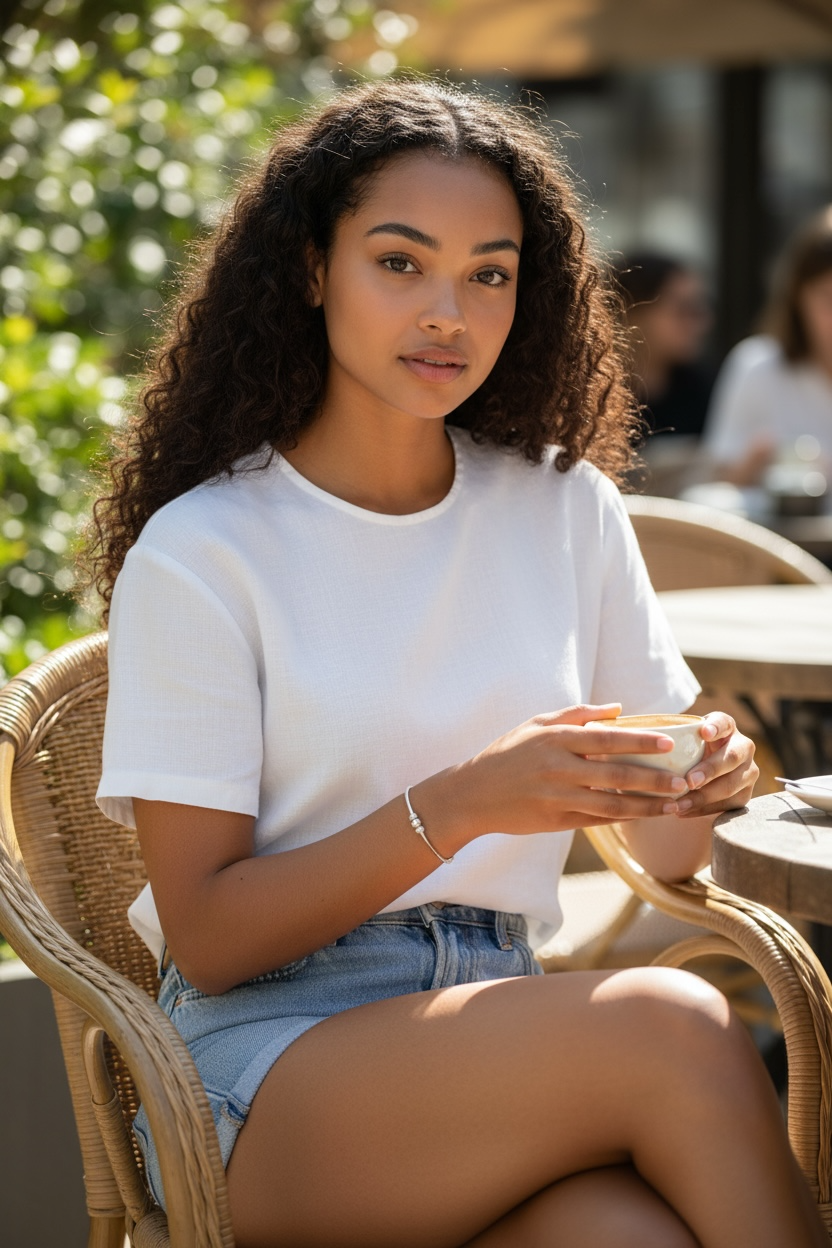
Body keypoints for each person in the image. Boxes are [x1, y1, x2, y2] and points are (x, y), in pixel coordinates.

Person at [89, 79, 825, 1248]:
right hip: (271, 1068)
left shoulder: (562, 507)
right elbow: (213, 935)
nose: (450, 311)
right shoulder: (206, 552)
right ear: (309, 269)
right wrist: (467, 801)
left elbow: (671, 855)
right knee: (678, 1021)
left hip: (509, 1030)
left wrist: (698, 780)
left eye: (489, 272)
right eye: (400, 262)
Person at [704, 205, 832, 489]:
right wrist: (752, 465)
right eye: (828, 298)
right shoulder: (757, 367)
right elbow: (717, 487)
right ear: (798, 299)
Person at [615, 251, 714, 443]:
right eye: (684, 309)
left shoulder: (703, 389)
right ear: (633, 311)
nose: (702, 322)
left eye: (700, 307)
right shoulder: (590, 397)